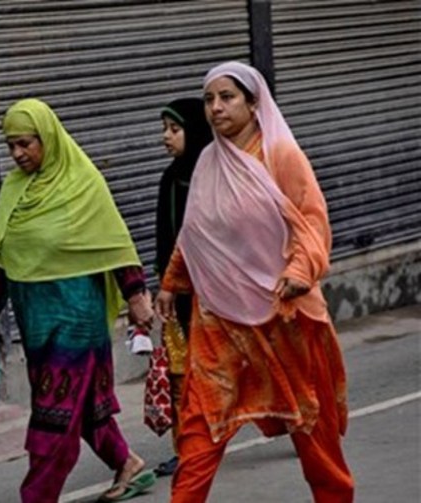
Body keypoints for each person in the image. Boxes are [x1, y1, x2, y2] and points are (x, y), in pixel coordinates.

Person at [156, 61, 354, 502]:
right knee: (200, 425)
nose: (216, 107)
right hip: (219, 319)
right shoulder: (208, 162)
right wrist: (171, 282)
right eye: (209, 99)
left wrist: (300, 271)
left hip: (284, 315)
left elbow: (311, 221)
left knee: (312, 426)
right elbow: (196, 233)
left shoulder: (280, 155)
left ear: (252, 102)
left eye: (227, 97)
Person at [0, 99, 157, 503]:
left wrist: (136, 295)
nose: (17, 154)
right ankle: (126, 462)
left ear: (48, 138)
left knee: (54, 413)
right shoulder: (15, 189)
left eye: (25, 144)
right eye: (11, 145)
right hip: (35, 319)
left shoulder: (82, 183)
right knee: (80, 403)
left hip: (76, 317)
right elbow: (1, 250)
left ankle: (37, 496)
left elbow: (114, 243)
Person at [152, 97, 213, 477]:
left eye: (174, 129)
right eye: (164, 129)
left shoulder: (217, 177)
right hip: (178, 296)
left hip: (218, 295)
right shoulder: (170, 179)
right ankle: (187, 447)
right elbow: (165, 238)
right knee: (180, 374)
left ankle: (292, 419)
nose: (166, 137)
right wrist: (165, 284)